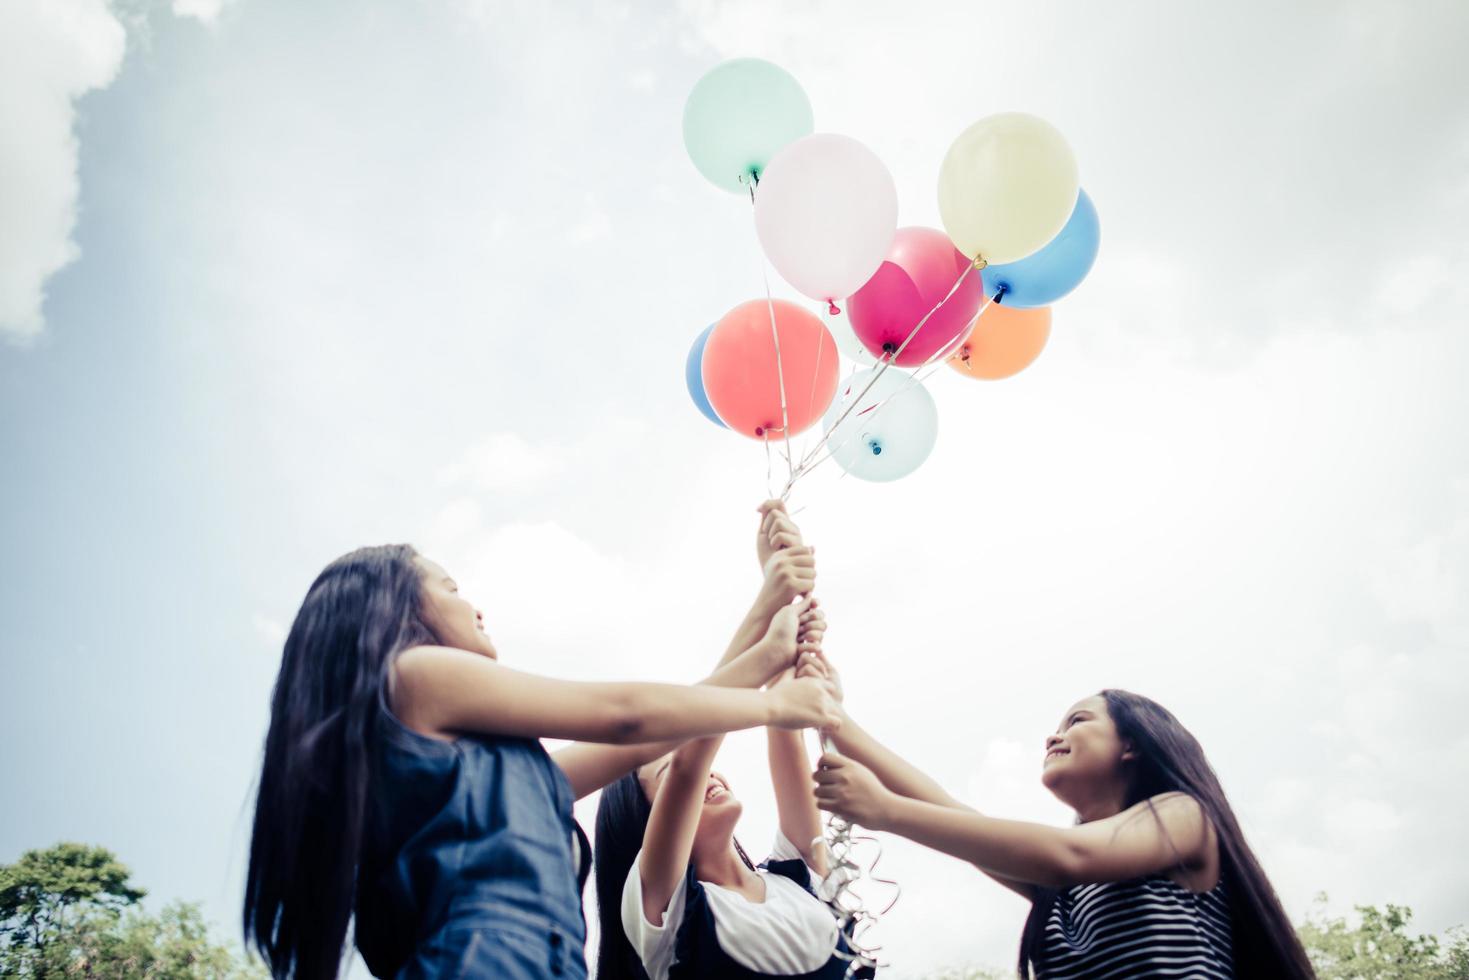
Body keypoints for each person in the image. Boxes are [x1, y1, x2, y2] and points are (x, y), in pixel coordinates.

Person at [243, 521, 839, 979]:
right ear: (394, 609)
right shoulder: (416, 676)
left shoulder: (520, 781)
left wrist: (770, 610)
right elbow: (625, 717)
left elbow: (679, 722)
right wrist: (773, 703)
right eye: (451, 587)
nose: (474, 605)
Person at [806, 655, 1314, 979]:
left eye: (1077, 721)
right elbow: (945, 808)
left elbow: (1069, 856)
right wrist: (835, 717)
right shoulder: (1063, 891)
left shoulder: (1183, 816)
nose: (1052, 736)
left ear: (1132, 743)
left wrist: (887, 812)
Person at [594, 511, 870, 980]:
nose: (708, 773)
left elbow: (785, 719)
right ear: (650, 824)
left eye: (707, 768)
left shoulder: (796, 878)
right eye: (668, 778)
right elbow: (690, 757)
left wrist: (790, 599)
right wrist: (770, 605)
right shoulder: (664, 911)